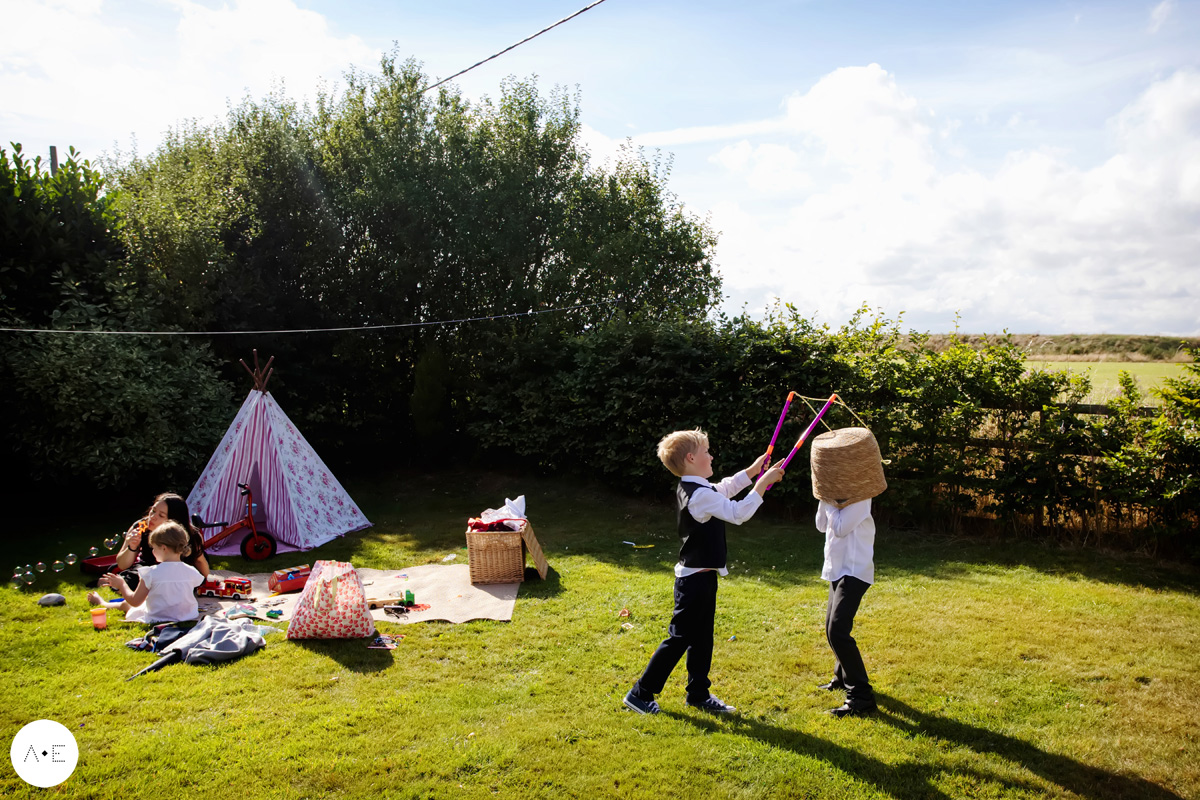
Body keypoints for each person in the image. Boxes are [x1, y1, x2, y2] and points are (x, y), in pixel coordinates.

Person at [624, 429, 784, 715]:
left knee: (701, 638)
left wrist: (752, 471)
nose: (711, 456)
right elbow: (737, 513)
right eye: (706, 452)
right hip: (693, 581)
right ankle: (640, 693)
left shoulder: (698, 488)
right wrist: (761, 484)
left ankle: (698, 693)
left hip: (702, 576)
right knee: (680, 638)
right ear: (691, 458)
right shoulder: (699, 496)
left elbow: (725, 487)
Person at [815, 498, 878, 717]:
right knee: (830, 628)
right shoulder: (835, 497)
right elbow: (821, 525)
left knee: (838, 631)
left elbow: (840, 528)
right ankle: (841, 678)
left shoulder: (860, 497)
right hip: (837, 568)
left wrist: (829, 499)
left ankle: (861, 696)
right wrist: (824, 497)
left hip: (855, 570)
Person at [87, 522, 204, 623]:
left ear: (163, 548)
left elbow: (134, 601)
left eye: (154, 548)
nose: (152, 551)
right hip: (186, 617)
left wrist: (121, 584)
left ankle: (103, 604)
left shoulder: (151, 573)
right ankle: (104, 603)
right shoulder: (192, 571)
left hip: (157, 617)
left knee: (129, 605)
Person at [113, 493, 209, 582]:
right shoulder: (140, 528)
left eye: (161, 515)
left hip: (177, 570)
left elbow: (200, 561)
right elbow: (122, 565)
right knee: (136, 579)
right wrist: (132, 547)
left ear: (173, 521)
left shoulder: (189, 535)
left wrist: (208, 580)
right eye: (153, 511)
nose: (153, 517)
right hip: (149, 566)